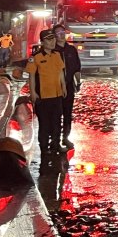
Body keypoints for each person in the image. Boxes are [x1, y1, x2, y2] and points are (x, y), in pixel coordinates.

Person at [26, 29, 67, 166]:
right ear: (42, 42)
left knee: (57, 122)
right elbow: (32, 76)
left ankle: (55, 145)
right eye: (49, 39)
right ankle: (44, 148)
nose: (52, 41)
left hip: (56, 94)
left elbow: (61, 72)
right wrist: (33, 92)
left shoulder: (57, 55)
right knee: (44, 124)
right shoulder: (35, 57)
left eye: (53, 38)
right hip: (43, 96)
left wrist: (64, 86)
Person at [52, 24, 81, 149]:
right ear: (54, 36)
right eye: (58, 33)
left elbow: (77, 68)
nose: (61, 34)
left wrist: (78, 83)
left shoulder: (71, 50)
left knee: (68, 113)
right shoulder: (52, 50)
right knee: (56, 114)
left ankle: (66, 138)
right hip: (55, 87)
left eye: (63, 32)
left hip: (69, 85)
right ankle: (55, 140)